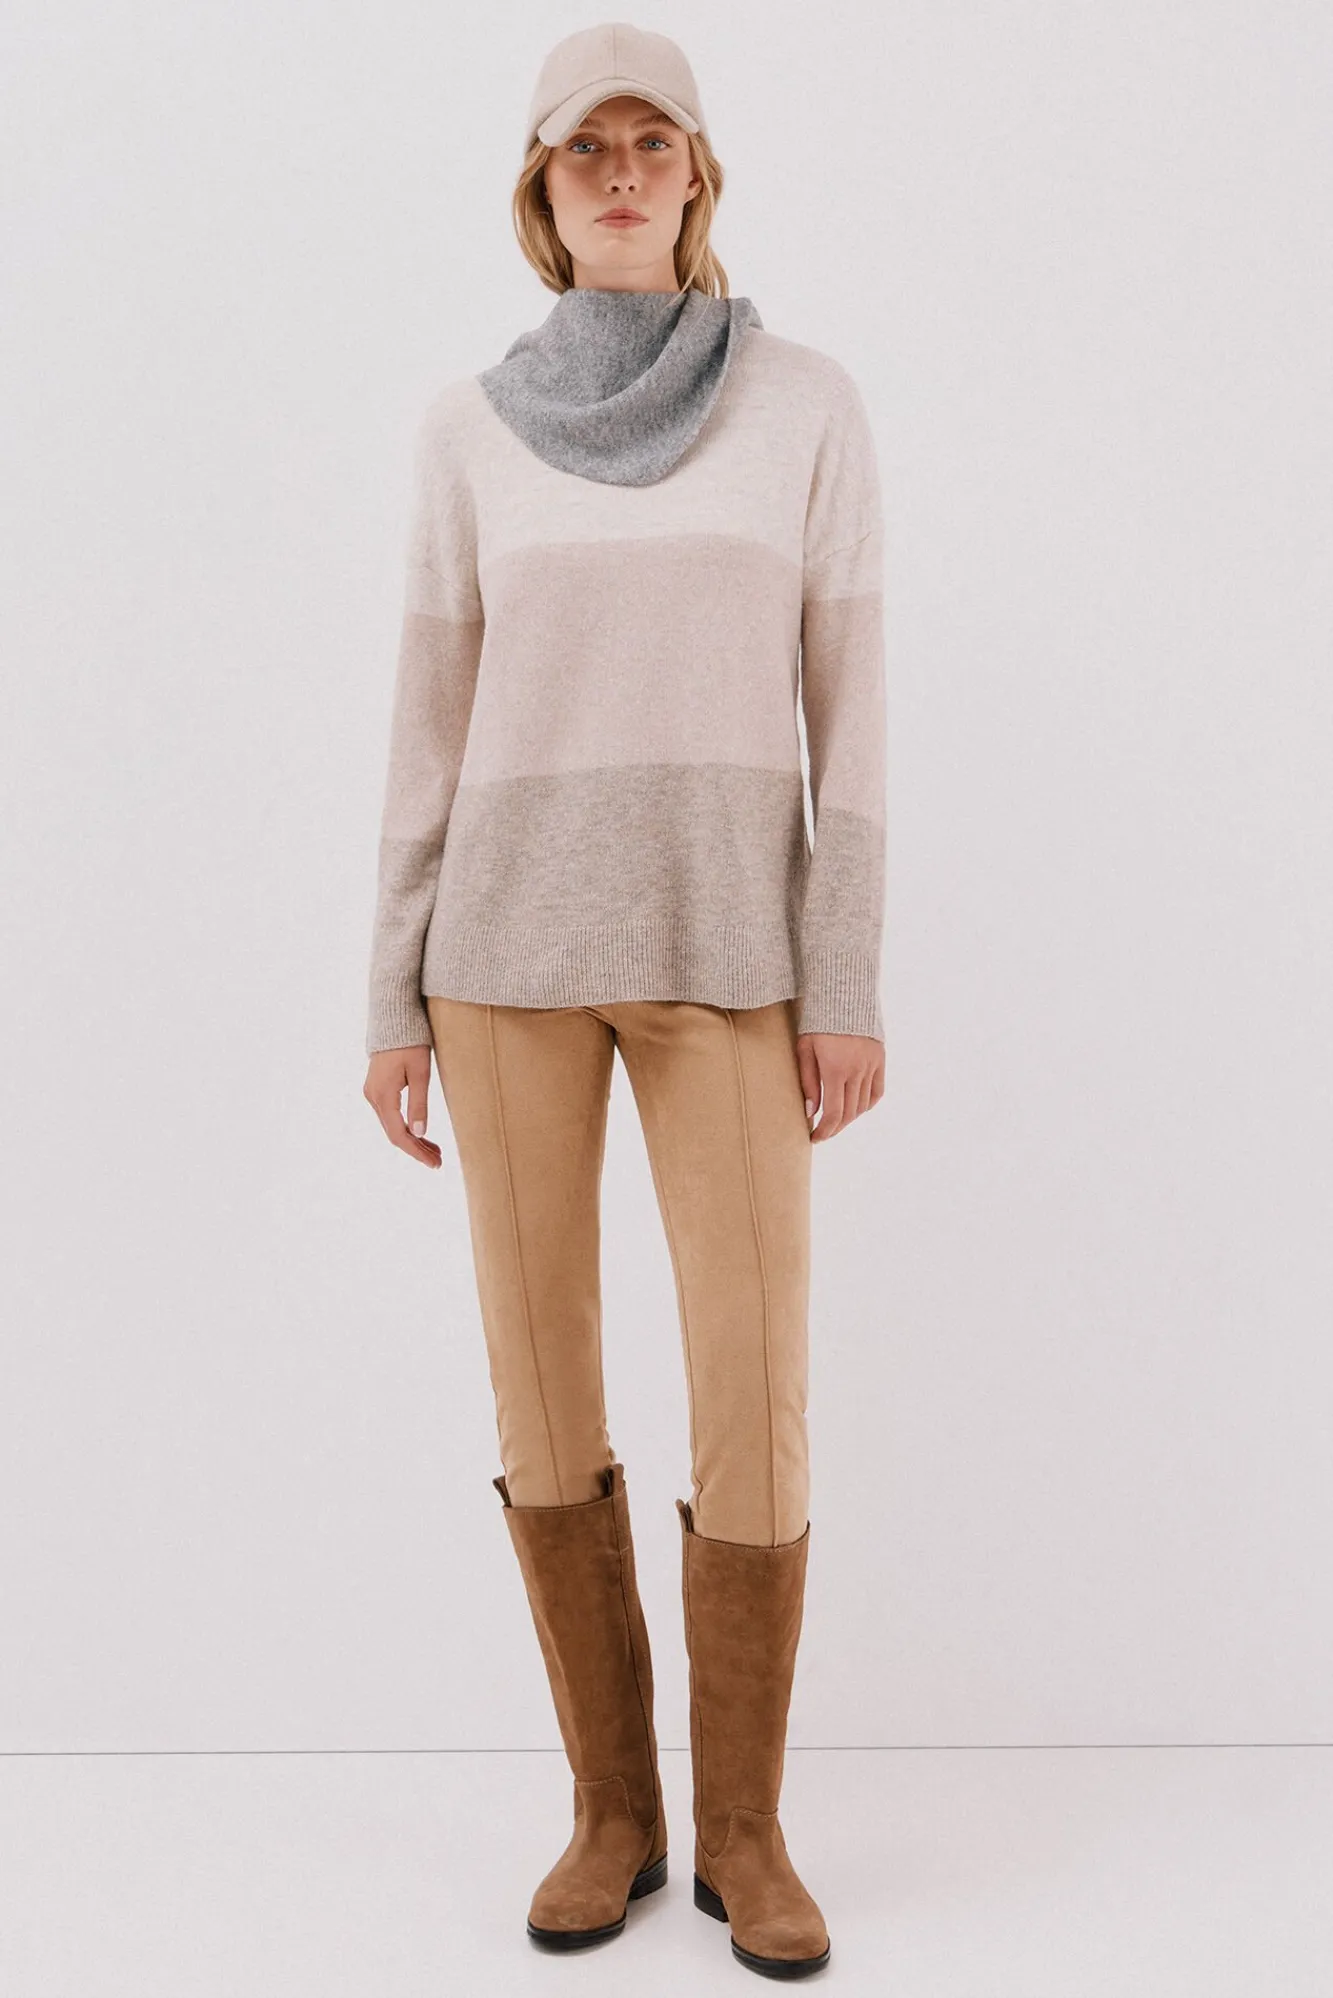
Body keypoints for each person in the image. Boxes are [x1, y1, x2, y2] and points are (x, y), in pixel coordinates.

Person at [361, 22, 885, 1980]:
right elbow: (426, 727)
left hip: (732, 957)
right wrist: (391, 993)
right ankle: (614, 1810)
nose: (619, 171)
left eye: (651, 140)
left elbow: (856, 715)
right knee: (543, 1384)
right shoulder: (464, 433)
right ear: (539, 185)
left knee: (753, 1382)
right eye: (584, 146)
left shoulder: (807, 405)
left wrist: (846, 973)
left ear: (698, 173)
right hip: (500, 964)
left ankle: (746, 1827)